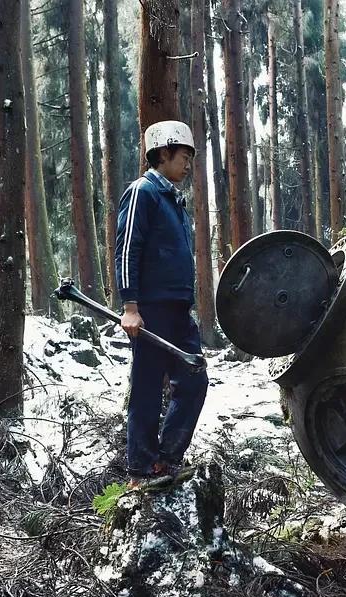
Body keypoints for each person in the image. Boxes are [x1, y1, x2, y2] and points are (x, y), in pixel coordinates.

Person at [115, 120, 208, 481]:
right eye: (184, 157)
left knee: (194, 380)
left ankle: (166, 459)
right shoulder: (143, 191)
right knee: (148, 388)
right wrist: (130, 307)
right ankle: (140, 468)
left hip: (178, 310)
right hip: (151, 309)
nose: (187, 165)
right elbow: (127, 249)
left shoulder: (174, 200)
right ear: (164, 153)